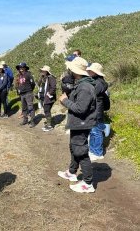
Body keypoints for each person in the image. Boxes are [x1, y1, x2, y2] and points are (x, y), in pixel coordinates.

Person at [58, 57, 97, 193]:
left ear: (75, 71)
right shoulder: (82, 84)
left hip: (82, 123)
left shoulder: (85, 87)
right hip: (78, 123)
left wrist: (65, 101)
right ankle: (72, 172)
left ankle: (88, 183)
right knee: (74, 148)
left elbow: (81, 109)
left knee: (81, 152)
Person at [87, 63, 108, 161]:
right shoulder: (96, 81)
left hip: (96, 111)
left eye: (90, 70)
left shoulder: (99, 83)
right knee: (93, 131)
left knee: (96, 132)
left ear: (95, 72)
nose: (88, 71)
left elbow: (92, 95)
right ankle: (92, 150)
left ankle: (98, 153)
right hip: (94, 110)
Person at [16, 62, 36, 127]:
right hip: (22, 94)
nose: (21, 69)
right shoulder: (19, 75)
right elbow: (18, 83)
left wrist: (30, 90)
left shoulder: (28, 74)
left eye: (22, 67)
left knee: (30, 107)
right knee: (24, 108)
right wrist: (19, 89)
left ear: (25, 68)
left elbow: (33, 83)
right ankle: (25, 120)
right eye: (20, 67)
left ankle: (32, 121)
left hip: (28, 93)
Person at [37, 65, 57, 131]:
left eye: (43, 71)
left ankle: (49, 125)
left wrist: (49, 93)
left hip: (48, 97)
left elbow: (53, 87)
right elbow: (38, 84)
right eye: (41, 70)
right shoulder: (43, 77)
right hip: (43, 96)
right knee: (46, 110)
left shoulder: (51, 77)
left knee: (47, 110)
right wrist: (41, 77)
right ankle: (48, 123)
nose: (42, 71)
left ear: (46, 71)